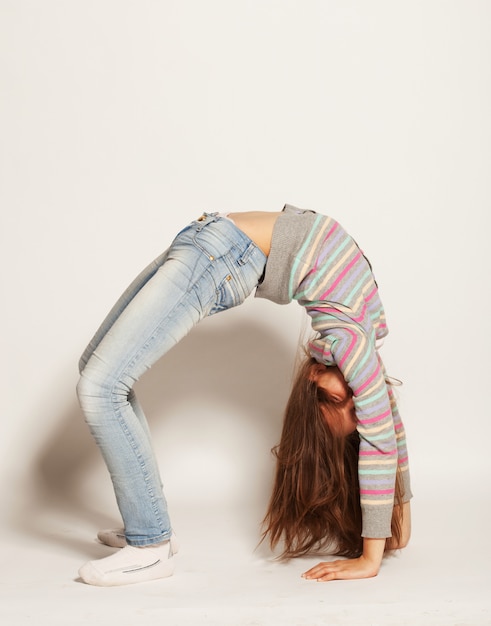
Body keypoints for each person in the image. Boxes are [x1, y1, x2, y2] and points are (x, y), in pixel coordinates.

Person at [76, 205, 412, 586]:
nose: (356, 393)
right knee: (94, 368)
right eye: (360, 400)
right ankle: (144, 516)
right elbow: (390, 436)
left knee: (101, 387)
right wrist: (397, 523)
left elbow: (380, 444)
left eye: (338, 402)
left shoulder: (350, 345)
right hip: (206, 237)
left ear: (315, 398)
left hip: (221, 257)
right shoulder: (365, 338)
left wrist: (371, 557)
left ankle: (149, 544)